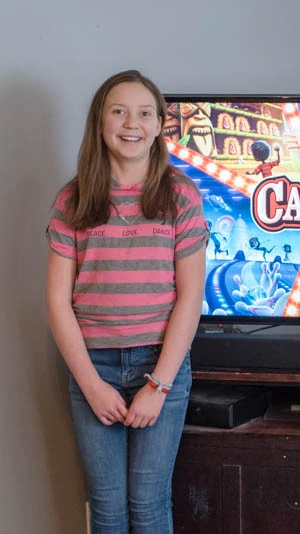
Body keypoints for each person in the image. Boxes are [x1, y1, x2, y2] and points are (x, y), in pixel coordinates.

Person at [45, 70, 208, 533]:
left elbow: (190, 296)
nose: (130, 123)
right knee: (108, 507)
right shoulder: (72, 200)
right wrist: (92, 385)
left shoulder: (181, 197)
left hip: (161, 368)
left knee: (150, 503)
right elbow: (58, 302)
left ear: (159, 125)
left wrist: (157, 386)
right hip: (91, 367)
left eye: (143, 113)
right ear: (100, 122)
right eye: (118, 111)